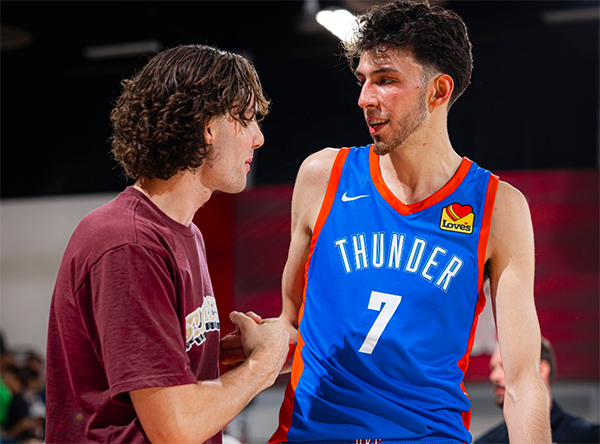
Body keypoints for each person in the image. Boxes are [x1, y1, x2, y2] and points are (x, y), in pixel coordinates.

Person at [223, 1, 551, 443]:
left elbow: (523, 383)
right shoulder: (322, 176)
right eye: (363, 80)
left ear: (438, 91)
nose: (365, 98)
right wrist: (263, 345)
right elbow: (293, 325)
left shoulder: (498, 207)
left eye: (386, 80)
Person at [45, 44, 289, 444]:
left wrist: (214, 354)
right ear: (208, 128)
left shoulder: (183, 233)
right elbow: (175, 428)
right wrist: (262, 366)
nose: (258, 138)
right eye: (246, 119)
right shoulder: (129, 242)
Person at [475, 338, 600, 444]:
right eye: (493, 368)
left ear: (541, 370)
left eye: (506, 366)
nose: (493, 377)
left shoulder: (590, 437)